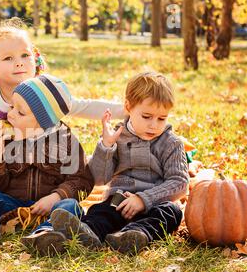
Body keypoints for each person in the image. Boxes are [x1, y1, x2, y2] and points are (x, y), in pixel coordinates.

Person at [0, 74, 95, 256]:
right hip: (13, 206)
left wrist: (56, 197)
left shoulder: (65, 141)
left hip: (49, 207)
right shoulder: (8, 139)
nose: (10, 115)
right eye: (12, 107)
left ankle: (45, 233)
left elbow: (81, 180)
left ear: (44, 121)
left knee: (71, 205)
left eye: (20, 112)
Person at [0, 18, 125, 145]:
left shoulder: (43, 92)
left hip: (36, 164)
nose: (19, 63)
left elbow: (81, 106)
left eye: (25, 55)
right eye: (8, 58)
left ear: (35, 58)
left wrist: (126, 110)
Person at [51, 71, 189, 255]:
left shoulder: (171, 143)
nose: (154, 125)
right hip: (120, 200)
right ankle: (88, 232)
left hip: (155, 202)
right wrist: (106, 146)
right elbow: (100, 178)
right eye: (147, 116)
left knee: (172, 212)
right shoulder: (118, 137)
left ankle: (134, 235)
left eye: (161, 118)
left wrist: (143, 199)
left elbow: (179, 183)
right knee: (101, 210)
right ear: (128, 107)